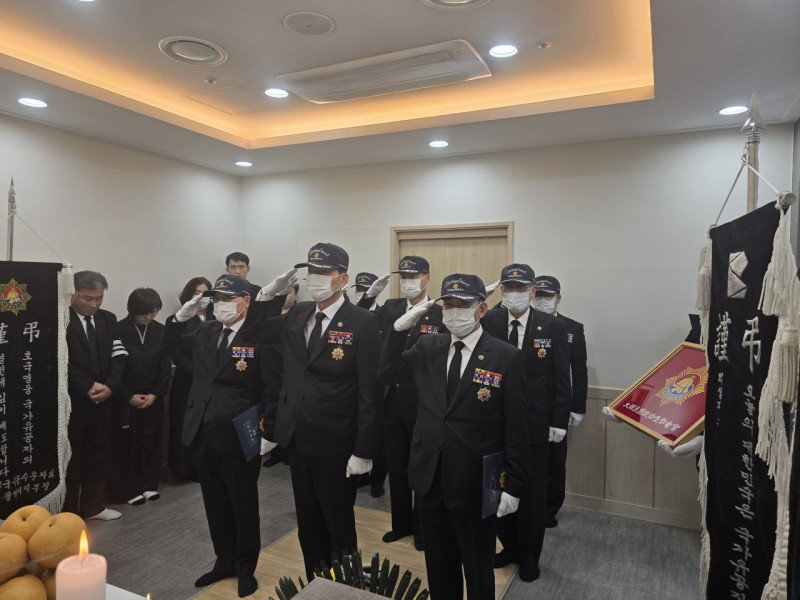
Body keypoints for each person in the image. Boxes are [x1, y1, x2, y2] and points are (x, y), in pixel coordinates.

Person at [378, 273, 528, 600]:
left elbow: (517, 427)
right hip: (430, 477)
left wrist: (514, 485)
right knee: (439, 567)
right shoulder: (427, 346)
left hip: (475, 481)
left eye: (463, 305)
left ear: (482, 309)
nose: (454, 312)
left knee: (478, 569)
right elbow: (387, 374)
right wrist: (398, 332)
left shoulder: (506, 356)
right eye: (448, 305)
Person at [241, 243, 381, 579]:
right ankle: (316, 585)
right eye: (311, 272)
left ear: (342, 278)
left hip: (337, 441)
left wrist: (364, 449)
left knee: (338, 523)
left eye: (323, 272)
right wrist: (267, 296)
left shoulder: (363, 322)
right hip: (298, 436)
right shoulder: (299, 313)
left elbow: (370, 392)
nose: (314, 278)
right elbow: (253, 331)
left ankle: (344, 588)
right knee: (308, 523)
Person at [165, 274, 283, 598]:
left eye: (227, 298)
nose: (220, 304)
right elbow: (170, 346)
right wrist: (178, 320)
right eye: (217, 299)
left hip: (240, 433)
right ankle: (224, 561)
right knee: (214, 502)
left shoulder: (259, 337)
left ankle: (246, 567)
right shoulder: (206, 330)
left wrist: (270, 432)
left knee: (243, 504)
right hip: (203, 429)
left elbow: (273, 387)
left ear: (245, 302)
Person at [482, 263, 571, 581]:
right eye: (508, 288)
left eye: (520, 288)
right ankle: (509, 547)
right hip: (496, 422)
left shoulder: (552, 326)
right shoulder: (489, 320)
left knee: (532, 494)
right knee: (499, 489)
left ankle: (530, 556)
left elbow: (561, 378)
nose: (514, 293)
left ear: (532, 291)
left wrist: (559, 420)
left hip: (536, 425)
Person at [358, 256, 446, 548]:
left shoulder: (439, 313)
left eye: (414, 276)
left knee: (420, 469)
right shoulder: (391, 307)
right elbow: (361, 319)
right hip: (390, 400)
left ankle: (422, 528)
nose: (408, 281)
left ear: (427, 278)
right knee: (396, 468)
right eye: (404, 277)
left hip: (421, 402)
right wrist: (369, 296)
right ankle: (401, 525)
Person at [65, 270, 127, 521]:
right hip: (72, 401)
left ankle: (94, 507)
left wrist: (110, 387)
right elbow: (59, 360)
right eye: (87, 298)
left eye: (98, 298)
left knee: (98, 453)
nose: (93, 304)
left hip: (104, 400)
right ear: (72, 293)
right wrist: (87, 386)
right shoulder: (60, 318)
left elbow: (118, 357)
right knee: (71, 458)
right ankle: (68, 511)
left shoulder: (108, 319)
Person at [107, 287, 171, 507]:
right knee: (125, 444)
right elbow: (114, 368)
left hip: (152, 397)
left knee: (150, 440)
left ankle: (148, 484)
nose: (150, 317)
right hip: (125, 397)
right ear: (133, 310)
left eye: (154, 312)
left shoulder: (161, 331)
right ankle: (127, 488)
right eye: (145, 313)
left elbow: (165, 367)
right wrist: (128, 396)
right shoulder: (117, 330)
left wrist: (154, 394)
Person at [533, 275, 588, 526]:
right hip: (529, 402)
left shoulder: (572, 328)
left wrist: (578, 407)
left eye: (548, 296)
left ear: (558, 298)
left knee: (555, 460)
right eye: (539, 295)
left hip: (559, 404)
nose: (543, 300)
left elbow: (579, 370)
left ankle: (549, 509)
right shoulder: (525, 325)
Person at [167, 277, 212, 481]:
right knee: (184, 425)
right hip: (187, 380)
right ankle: (183, 470)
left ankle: (204, 467)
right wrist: (199, 371)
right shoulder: (179, 318)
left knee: (206, 427)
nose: (202, 297)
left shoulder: (215, 316)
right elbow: (176, 352)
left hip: (211, 382)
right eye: (197, 293)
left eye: (206, 293)